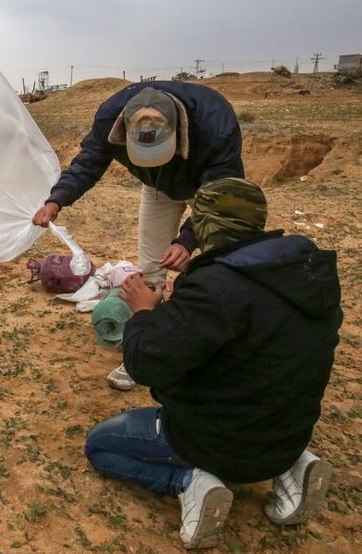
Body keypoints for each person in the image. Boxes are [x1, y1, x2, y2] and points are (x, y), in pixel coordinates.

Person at [83, 178, 342, 549]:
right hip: (290, 430)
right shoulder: (305, 273)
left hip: (216, 440)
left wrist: (143, 313)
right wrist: (181, 310)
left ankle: (190, 482)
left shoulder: (215, 287)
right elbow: (251, 339)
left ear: (203, 225)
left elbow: (145, 365)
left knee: (100, 447)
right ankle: (292, 466)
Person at [32, 81, 244, 390]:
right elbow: (89, 161)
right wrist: (57, 199)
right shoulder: (109, 119)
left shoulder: (216, 125)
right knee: (152, 267)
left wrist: (187, 240)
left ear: (177, 131)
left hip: (209, 188)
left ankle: (218, 346)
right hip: (157, 187)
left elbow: (223, 193)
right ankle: (145, 349)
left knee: (222, 262)